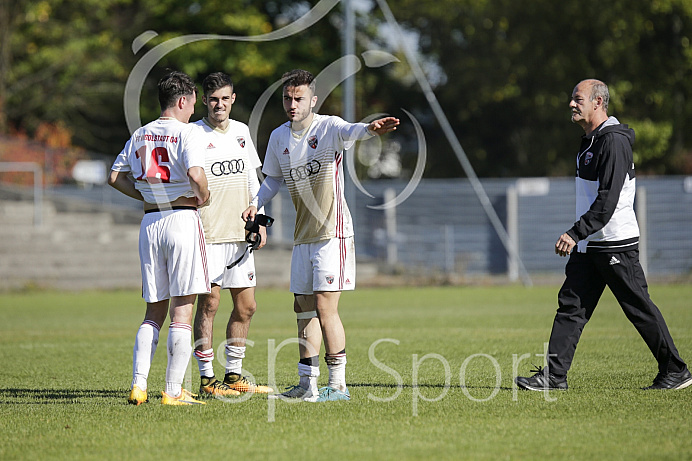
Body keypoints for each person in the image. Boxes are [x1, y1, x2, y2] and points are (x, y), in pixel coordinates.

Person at [516, 79, 691, 391]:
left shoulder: (612, 141)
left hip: (614, 243)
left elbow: (607, 200)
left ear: (598, 102)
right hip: (590, 245)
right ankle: (554, 376)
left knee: (638, 307)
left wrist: (575, 231)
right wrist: (581, 237)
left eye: (578, 98)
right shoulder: (590, 140)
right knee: (571, 307)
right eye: (572, 98)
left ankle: (675, 370)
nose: (571, 104)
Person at [242, 69, 400, 402]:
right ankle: (306, 384)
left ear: (313, 100)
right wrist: (255, 204)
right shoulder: (278, 137)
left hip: (333, 233)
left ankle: (339, 386)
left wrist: (370, 129)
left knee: (327, 309)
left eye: (299, 98)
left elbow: (351, 131)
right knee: (303, 308)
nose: (292, 104)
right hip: (304, 236)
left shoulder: (327, 127)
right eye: (287, 98)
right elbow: (272, 180)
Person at [108, 70, 211, 406]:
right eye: (193, 103)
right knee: (182, 311)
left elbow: (114, 177)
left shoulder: (140, 134)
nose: (194, 111)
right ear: (182, 101)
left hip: (151, 222)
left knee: (153, 311)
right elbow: (196, 174)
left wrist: (147, 197)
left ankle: (139, 386)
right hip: (182, 220)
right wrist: (203, 195)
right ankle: (173, 391)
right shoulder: (187, 133)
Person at [190, 72, 273, 398]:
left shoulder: (240, 131)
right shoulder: (194, 133)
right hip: (208, 234)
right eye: (213, 99)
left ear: (233, 99)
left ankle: (234, 374)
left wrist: (260, 219)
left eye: (225, 98)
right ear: (204, 100)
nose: (219, 105)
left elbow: (253, 179)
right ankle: (208, 380)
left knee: (247, 306)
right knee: (209, 304)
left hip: (240, 235)